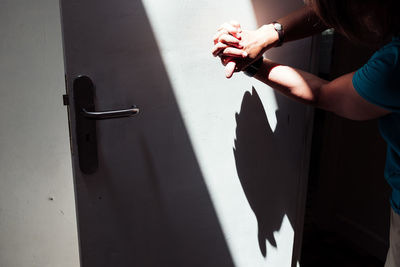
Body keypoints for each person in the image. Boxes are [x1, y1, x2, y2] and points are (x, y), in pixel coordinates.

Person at [211, 0, 400, 266]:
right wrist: (271, 34)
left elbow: (324, 93)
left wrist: (253, 64)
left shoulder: (392, 68)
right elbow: (337, 10)